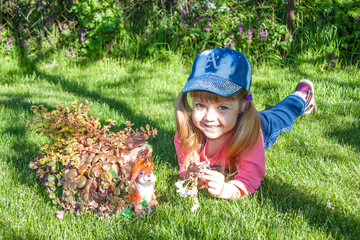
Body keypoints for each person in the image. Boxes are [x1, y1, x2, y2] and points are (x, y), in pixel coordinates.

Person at [174, 48, 316, 200]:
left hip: (252, 125)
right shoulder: (188, 131)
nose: (209, 117)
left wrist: (226, 190)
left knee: (280, 116)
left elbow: (249, 179)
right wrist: (190, 175)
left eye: (222, 107)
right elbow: (187, 167)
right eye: (200, 105)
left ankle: (301, 97)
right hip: (235, 120)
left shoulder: (251, 135)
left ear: (242, 105)